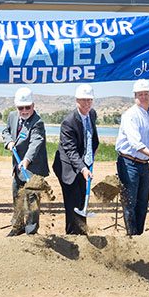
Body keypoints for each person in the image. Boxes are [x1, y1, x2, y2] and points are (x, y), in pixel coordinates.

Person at [115, 79, 149, 236]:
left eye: (146, 94)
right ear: (135, 96)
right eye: (140, 94)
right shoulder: (130, 115)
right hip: (129, 163)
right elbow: (135, 142)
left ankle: (139, 236)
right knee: (130, 203)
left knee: (142, 203)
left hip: (143, 163)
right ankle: (131, 238)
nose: (144, 97)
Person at [53, 84, 100, 235]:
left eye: (89, 100)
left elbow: (91, 137)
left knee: (82, 200)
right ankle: (72, 238)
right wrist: (83, 168)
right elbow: (70, 151)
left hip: (83, 164)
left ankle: (82, 234)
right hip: (68, 168)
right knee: (73, 204)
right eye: (83, 100)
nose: (87, 103)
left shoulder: (92, 114)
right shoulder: (68, 122)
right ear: (76, 101)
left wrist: (92, 154)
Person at [2, 87, 49, 236]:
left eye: (27, 107)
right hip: (18, 167)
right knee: (17, 196)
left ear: (33, 106)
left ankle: (31, 231)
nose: (24, 111)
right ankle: (17, 227)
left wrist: (27, 160)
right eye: (20, 108)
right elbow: (6, 131)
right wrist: (9, 141)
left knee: (32, 201)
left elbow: (35, 142)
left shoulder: (38, 122)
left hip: (33, 169)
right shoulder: (12, 116)